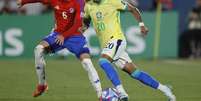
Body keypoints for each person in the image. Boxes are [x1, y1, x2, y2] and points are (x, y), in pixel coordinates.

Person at [82, 0, 176, 101]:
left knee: (103, 61)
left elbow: (133, 9)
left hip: (117, 39)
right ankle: (165, 89)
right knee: (135, 73)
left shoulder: (113, 1)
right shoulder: (88, 5)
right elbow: (86, 21)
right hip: (107, 46)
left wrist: (141, 25)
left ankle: (121, 92)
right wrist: (82, 28)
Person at [17, 0, 102, 100]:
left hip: (74, 36)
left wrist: (64, 36)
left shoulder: (78, 2)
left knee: (87, 62)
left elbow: (78, 23)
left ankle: (101, 95)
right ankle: (42, 85)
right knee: (38, 50)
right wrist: (23, 2)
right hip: (57, 34)